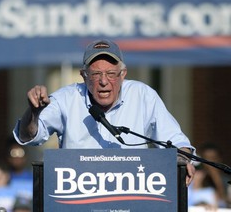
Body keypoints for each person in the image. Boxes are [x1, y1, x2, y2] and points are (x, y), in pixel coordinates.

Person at [13, 39, 196, 186]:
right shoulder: (66, 98)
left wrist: (182, 160)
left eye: (110, 74)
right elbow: (28, 136)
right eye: (95, 74)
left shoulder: (143, 95)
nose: (103, 81)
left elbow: (176, 141)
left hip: (133, 195)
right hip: (78, 197)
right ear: (83, 76)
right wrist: (33, 112)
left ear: (122, 74)